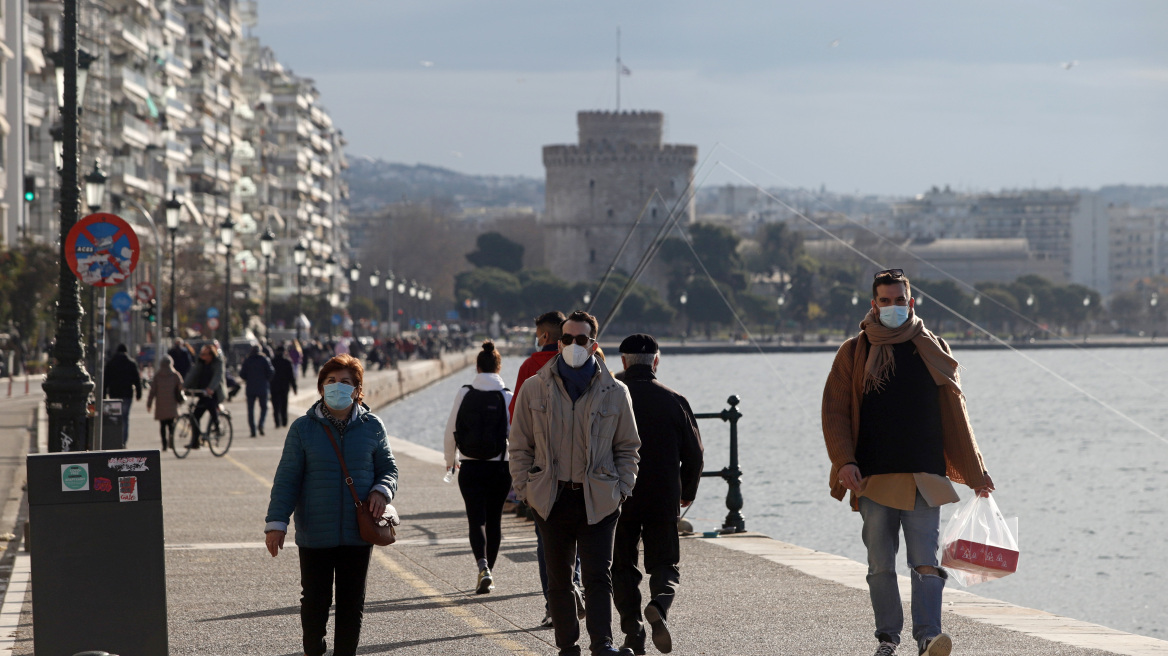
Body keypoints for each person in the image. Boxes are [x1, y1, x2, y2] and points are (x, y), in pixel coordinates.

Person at [822, 268, 996, 656]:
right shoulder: (854, 351)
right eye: (885, 301)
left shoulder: (932, 347)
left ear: (911, 302)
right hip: (873, 477)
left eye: (900, 300)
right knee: (880, 565)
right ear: (874, 304)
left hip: (924, 474)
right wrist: (844, 461)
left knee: (925, 563)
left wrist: (975, 472)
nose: (893, 307)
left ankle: (928, 637)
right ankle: (887, 638)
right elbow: (834, 411)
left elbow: (956, 413)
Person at [510, 310, 641, 656]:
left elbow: (628, 447)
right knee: (560, 580)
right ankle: (567, 646)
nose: (571, 345)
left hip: (598, 497)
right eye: (565, 339)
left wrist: (622, 487)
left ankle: (603, 644)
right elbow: (519, 444)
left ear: (593, 344)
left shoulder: (615, 391)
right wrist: (526, 489)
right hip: (551, 498)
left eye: (580, 340)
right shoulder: (534, 387)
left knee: (599, 576)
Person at [265, 354, 397, 656]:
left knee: (352, 605)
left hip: (358, 532)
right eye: (331, 381)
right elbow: (287, 479)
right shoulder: (302, 429)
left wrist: (381, 491)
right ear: (321, 387)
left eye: (346, 382)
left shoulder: (373, 426)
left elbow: (389, 468)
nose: (338, 386)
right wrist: (276, 524)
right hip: (315, 532)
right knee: (314, 603)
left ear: (357, 390)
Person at [611, 334, 704, 655]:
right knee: (665, 562)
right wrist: (687, 490)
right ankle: (660, 604)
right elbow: (695, 453)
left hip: (618, 495)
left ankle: (633, 632)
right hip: (663, 495)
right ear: (656, 361)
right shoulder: (674, 400)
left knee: (621, 566)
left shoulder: (610, 397)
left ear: (623, 362)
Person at [506, 311, 582, 625]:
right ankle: (577, 588)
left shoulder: (530, 366)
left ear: (545, 336)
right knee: (580, 535)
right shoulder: (583, 364)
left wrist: (520, 480)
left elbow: (516, 419)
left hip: (541, 470)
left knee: (546, 539)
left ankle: (555, 605)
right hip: (580, 466)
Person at [444, 341, 513, 594]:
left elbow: (451, 428)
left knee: (476, 520)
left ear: (477, 366)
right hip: (499, 467)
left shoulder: (464, 392)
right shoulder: (507, 395)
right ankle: (489, 573)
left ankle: (482, 567)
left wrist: (450, 461)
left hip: (470, 466)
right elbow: (515, 435)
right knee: (495, 520)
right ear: (499, 366)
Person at [183, 343, 228, 450]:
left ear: (211, 355)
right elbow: (193, 373)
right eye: (202, 354)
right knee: (195, 416)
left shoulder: (218, 362)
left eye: (205, 354)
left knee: (211, 406)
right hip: (203, 393)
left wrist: (211, 388)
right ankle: (195, 442)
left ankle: (217, 426)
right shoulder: (201, 363)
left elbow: (218, 376)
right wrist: (184, 386)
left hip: (215, 393)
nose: (202, 356)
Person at [103, 344, 142, 448]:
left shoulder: (111, 363)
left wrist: (103, 395)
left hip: (114, 395)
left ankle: (116, 440)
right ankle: (123, 442)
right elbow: (137, 380)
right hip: (127, 395)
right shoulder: (131, 363)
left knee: (115, 419)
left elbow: (105, 380)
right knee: (125, 419)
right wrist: (139, 393)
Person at [146, 355, 184, 450]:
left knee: (162, 425)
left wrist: (149, 404)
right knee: (171, 425)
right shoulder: (175, 375)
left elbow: (152, 391)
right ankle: (171, 441)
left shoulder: (157, 376)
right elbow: (181, 387)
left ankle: (164, 444)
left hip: (161, 405)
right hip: (172, 405)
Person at [240, 345, 275, 437]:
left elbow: (242, 374)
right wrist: (266, 379)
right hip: (262, 387)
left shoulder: (248, 360)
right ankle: (261, 424)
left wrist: (248, 378)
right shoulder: (265, 359)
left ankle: (253, 430)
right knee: (264, 408)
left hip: (250, 388)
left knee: (250, 410)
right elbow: (271, 371)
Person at [270, 345, 298, 428]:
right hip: (284, 387)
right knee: (284, 404)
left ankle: (277, 422)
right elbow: (291, 377)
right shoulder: (287, 362)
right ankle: (284, 421)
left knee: (275, 405)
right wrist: (294, 388)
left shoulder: (272, 362)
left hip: (274, 387)